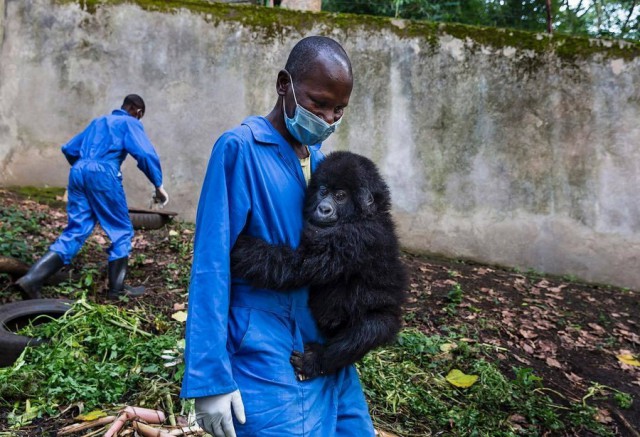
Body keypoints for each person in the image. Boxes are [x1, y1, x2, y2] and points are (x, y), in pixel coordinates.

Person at [181, 36, 375, 437]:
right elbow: (211, 264)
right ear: (284, 84)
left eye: (339, 110)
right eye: (317, 103)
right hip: (265, 347)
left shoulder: (324, 165)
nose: (327, 119)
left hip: (324, 346)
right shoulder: (240, 150)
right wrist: (209, 376)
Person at [15, 94, 169, 300]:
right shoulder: (129, 122)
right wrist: (158, 185)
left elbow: (69, 148)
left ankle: (32, 279)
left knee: (76, 229)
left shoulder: (98, 122)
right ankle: (117, 290)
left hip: (79, 171)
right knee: (121, 230)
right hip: (103, 174)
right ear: (138, 111)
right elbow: (145, 154)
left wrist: (84, 169)